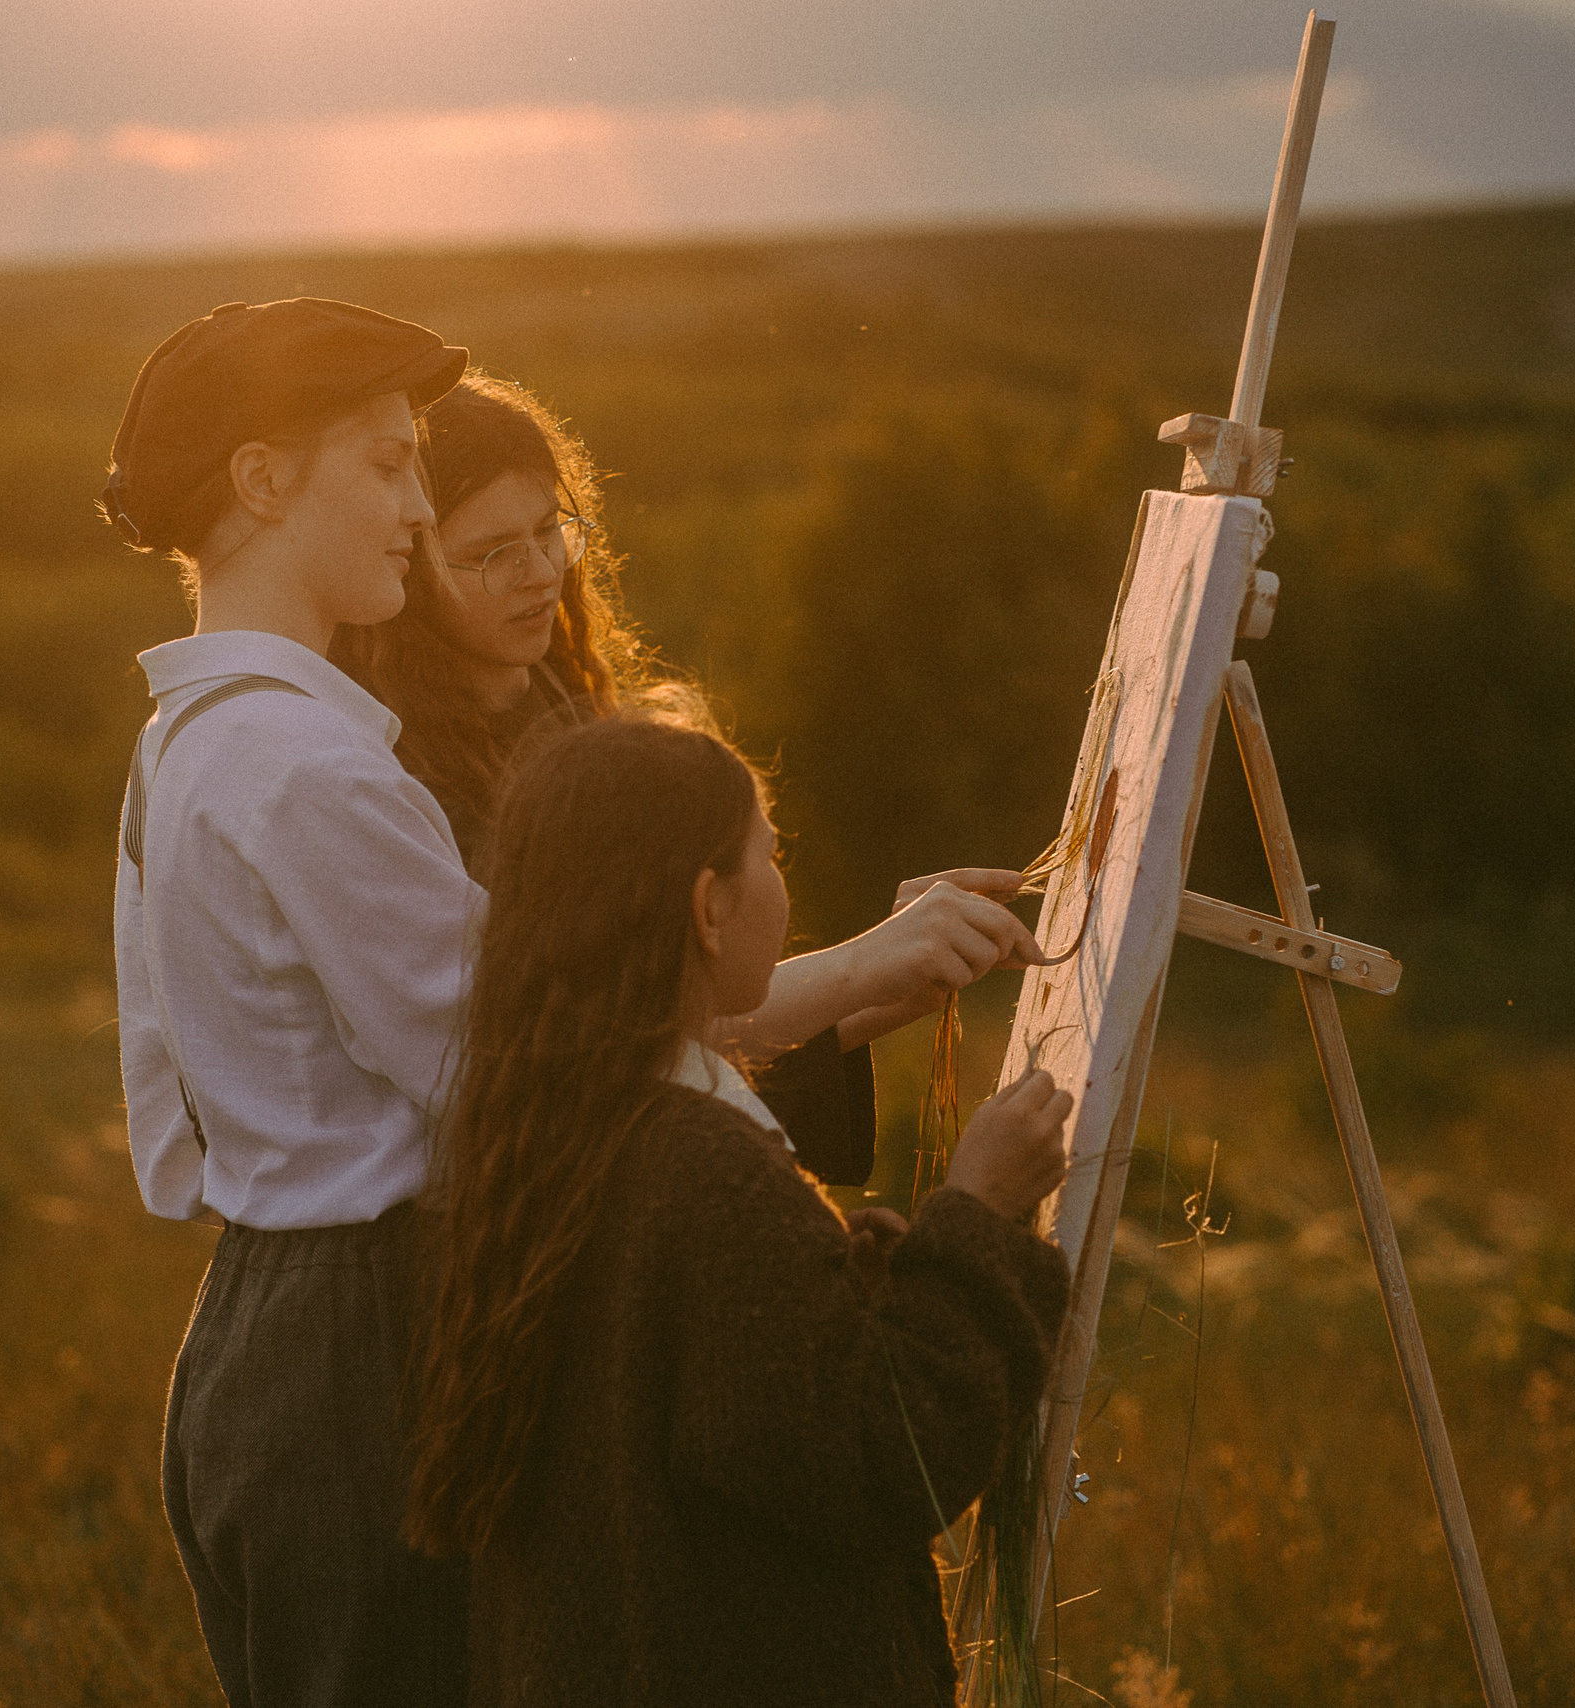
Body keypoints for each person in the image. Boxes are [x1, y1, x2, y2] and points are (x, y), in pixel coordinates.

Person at [104, 302, 1048, 1705]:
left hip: (280, 1316)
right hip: (359, 1332)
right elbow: (542, 1055)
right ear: (258, 482)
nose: (412, 507)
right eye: (383, 465)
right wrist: (856, 1010)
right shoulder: (307, 767)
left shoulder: (196, 736)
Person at [406, 716, 1074, 1707]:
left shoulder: (553, 1123)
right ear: (707, 909)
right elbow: (879, 1458)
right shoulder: (698, 1170)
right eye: (771, 853)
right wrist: (976, 1211)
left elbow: (748, 1393)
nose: (781, 881)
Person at [333, 372, 1022, 1182]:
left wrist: (879, 984)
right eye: (491, 554)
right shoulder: (391, 780)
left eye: (549, 530)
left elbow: (676, 1017)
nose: (539, 571)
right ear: (407, 569)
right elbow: (586, 1057)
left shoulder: (566, 707)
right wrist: (857, 967)